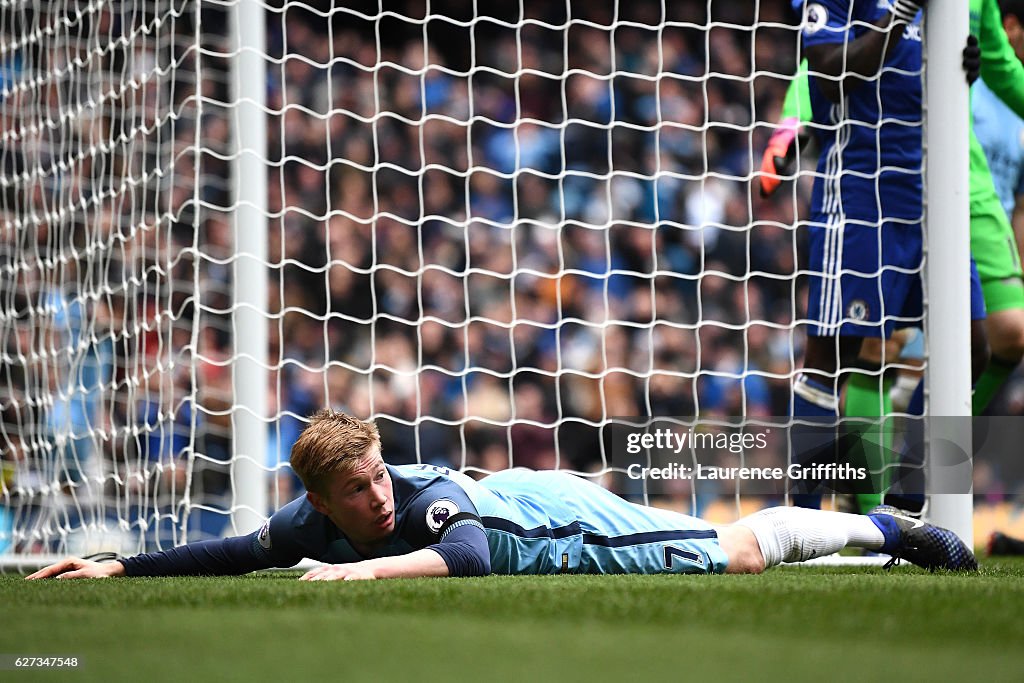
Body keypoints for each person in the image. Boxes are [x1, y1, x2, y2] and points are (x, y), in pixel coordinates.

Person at [27, 409, 976, 580]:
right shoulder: (305, 520)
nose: (377, 498)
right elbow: (233, 552)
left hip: (550, 522)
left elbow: (470, 555)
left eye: (377, 476)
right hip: (527, 502)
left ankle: (885, 525)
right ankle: (877, 531)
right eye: (356, 493)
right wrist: (119, 562)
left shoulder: (424, 493)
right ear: (319, 497)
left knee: (735, 552)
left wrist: (354, 576)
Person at [779, 0, 990, 511]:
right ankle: (801, 522)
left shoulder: (946, 7)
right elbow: (830, 76)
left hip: (934, 194)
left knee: (972, 347)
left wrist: (965, 66)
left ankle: (903, 506)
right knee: (832, 356)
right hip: (860, 195)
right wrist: (899, 15)